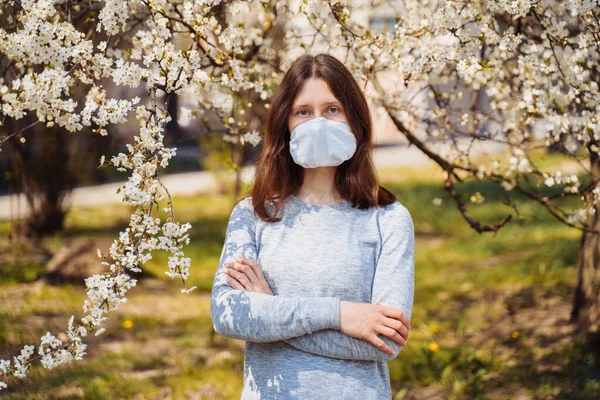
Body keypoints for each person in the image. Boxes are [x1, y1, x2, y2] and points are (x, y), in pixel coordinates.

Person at [210, 52, 415, 399]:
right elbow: (228, 314)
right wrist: (339, 314)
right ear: (285, 124)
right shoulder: (253, 215)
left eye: (332, 109)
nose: (318, 122)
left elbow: (384, 341)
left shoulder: (389, 220)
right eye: (303, 112)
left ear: (354, 119)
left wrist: (270, 309)